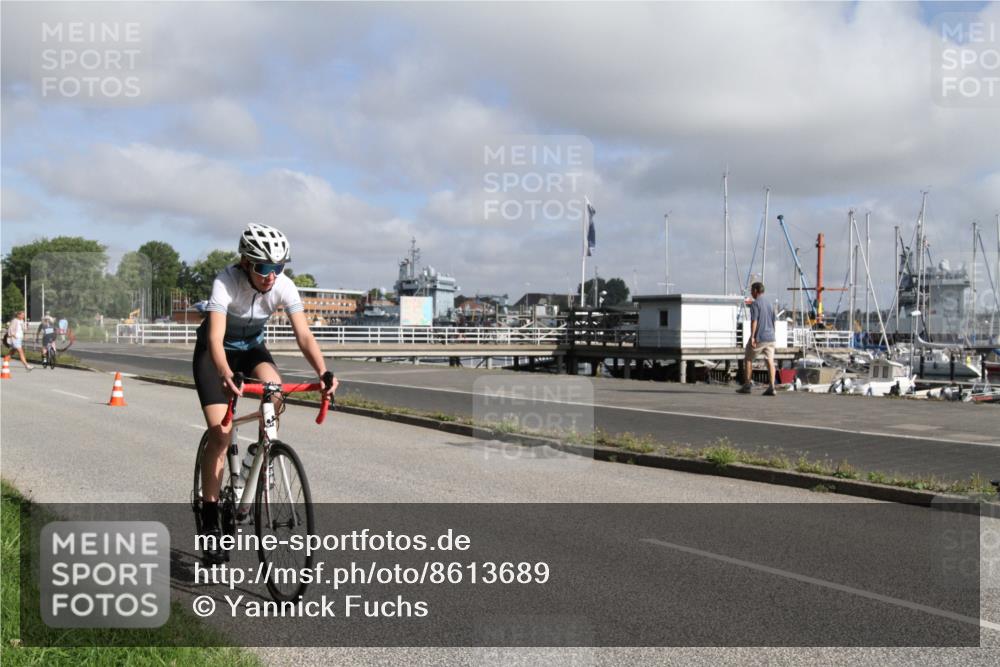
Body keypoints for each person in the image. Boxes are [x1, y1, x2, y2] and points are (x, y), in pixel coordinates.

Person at [193, 223, 338, 564]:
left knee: (275, 394)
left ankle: (261, 452)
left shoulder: (283, 286)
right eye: (263, 268)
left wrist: (324, 372)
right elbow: (215, 339)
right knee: (221, 433)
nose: (271, 276)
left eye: (279, 267)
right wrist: (226, 374)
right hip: (215, 355)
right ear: (245, 262)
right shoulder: (225, 282)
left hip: (252, 350)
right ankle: (212, 521)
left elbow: (304, 335)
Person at [738, 282, 777, 396]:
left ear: (756, 290)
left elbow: (754, 321)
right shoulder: (770, 304)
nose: (751, 292)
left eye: (752, 290)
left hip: (760, 337)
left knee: (748, 359)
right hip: (771, 338)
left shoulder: (756, 304)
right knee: (770, 361)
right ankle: (772, 387)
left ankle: (747, 385)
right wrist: (773, 334)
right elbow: (773, 321)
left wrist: (753, 337)